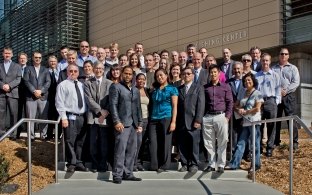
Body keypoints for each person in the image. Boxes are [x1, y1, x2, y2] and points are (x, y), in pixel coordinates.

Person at [109, 66, 143, 184]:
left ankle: (128, 173)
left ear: (132, 76)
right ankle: (117, 174)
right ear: (122, 74)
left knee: (131, 150)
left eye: (130, 74)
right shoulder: (115, 87)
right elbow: (113, 105)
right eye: (126, 73)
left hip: (134, 124)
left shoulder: (136, 90)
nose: (128, 76)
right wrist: (116, 121)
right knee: (120, 149)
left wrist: (140, 123)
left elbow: (138, 107)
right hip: (122, 124)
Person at [226, 72, 263, 172]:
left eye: (249, 80)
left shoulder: (258, 93)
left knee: (255, 144)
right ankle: (234, 164)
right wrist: (239, 110)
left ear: (253, 81)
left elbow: (257, 108)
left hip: (254, 122)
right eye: (245, 81)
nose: (247, 82)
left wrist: (246, 111)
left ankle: (256, 165)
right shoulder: (242, 93)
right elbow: (236, 105)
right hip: (245, 122)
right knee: (241, 143)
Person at [55, 64, 88, 172]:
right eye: (71, 71)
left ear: (78, 73)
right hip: (70, 117)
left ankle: (78, 162)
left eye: (75, 71)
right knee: (70, 140)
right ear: (67, 72)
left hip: (82, 117)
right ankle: (72, 163)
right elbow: (59, 103)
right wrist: (63, 117)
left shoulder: (82, 85)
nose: (73, 73)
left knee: (80, 141)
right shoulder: (62, 85)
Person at [202, 64, 233, 173]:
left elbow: (230, 103)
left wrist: (227, 117)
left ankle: (221, 164)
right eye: (211, 72)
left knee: (222, 141)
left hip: (221, 116)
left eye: (215, 72)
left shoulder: (226, 86)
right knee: (208, 142)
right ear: (209, 74)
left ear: (219, 73)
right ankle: (211, 164)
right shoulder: (205, 88)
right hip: (208, 117)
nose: (213, 74)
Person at [84, 61, 113, 172]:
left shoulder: (109, 83)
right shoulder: (88, 83)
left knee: (104, 143)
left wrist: (105, 113)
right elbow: (89, 99)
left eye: (101, 68)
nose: (98, 70)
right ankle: (95, 165)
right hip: (93, 117)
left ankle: (103, 164)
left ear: (103, 69)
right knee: (93, 143)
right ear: (93, 69)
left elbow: (111, 100)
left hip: (105, 117)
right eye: (96, 68)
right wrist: (100, 112)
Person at [149, 68, 178, 172]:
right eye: (157, 76)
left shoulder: (172, 89)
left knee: (166, 142)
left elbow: (175, 106)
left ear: (166, 75)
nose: (159, 77)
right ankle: (154, 165)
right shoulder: (154, 90)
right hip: (154, 118)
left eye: (161, 75)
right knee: (153, 142)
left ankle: (165, 165)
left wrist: (173, 121)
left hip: (166, 117)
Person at [177, 67, 205, 173]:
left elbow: (201, 105)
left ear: (193, 75)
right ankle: (184, 164)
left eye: (188, 74)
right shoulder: (179, 89)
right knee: (182, 144)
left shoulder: (198, 88)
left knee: (194, 143)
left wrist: (198, 120)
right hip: (181, 121)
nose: (186, 75)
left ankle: (194, 164)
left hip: (194, 121)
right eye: (184, 74)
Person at [272, 48, 300, 150]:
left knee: (291, 119)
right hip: (276, 96)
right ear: (279, 55)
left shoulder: (293, 68)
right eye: (281, 54)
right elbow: (271, 82)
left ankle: (294, 142)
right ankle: (276, 142)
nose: (283, 55)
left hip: (289, 96)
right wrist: (277, 91)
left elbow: (296, 82)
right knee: (276, 120)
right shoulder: (273, 68)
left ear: (288, 56)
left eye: (285, 54)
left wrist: (286, 90)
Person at [255, 53, 281, 157]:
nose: (265, 62)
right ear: (261, 62)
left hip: (271, 101)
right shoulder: (257, 75)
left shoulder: (275, 75)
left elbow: (278, 89)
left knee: (272, 125)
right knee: (259, 125)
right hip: (260, 102)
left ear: (270, 62)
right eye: (263, 60)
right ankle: (259, 147)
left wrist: (276, 102)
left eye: (267, 60)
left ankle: (269, 148)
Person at [23, 51, 51, 141]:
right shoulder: (28, 68)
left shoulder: (45, 69)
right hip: (31, 97)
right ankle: (31, 136)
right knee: (31, 118)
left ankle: (43, 135)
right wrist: (34, 91)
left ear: (41, 59)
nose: (37, 59)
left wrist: (41, 91)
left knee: (44, 117)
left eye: (39, 57)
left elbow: (48, 82)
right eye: (36, 57)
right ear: (32, 58)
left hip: (43, 97)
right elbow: (26, 81)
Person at [0, 47, 22, 138]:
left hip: (13, 93)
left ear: (12, 55)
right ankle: (1, 133)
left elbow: (18, 79)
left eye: (9, 53)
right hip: (1, 93)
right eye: (5, 53)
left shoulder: (17, 66)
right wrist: (2, 85)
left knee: (14, 114)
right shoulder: (0, 65)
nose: (7, 55)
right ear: (3, 54)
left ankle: (14, 134)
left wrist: (9, 86)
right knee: (1, 114)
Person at [226, 61, 246, 154]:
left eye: (238, 68)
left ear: (242, 69)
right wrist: (234, 107)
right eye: (235, 69)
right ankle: (233, 151)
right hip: (233, 111)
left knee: (244, 131)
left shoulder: (247, 80)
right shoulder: (228, 82)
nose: (237, 70)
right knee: (233, 132)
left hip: (244, 111)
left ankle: (245, 152)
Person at [133, 73, 150, 172]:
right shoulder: (134, 90)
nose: (141, 81)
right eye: (139, 79)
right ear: (136, 80)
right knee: (136, 143)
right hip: (137, 121)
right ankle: (133, 163)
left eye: (143, 79)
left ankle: (139, 162)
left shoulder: (147, 91)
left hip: (146, 119)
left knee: (143, 143)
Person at [46, 55, 60, 140]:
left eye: (54, 61)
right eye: (51, 61)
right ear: (48, 62)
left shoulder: (60, 72)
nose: (53, 63)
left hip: (58, 97)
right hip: (49, 97)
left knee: (58, 116)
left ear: (57, 62)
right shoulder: (45, 71)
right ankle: (49, 134)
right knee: (50, 116)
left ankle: (58, 135)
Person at [16, 52, 28, 139]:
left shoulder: (30, 68)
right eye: (21, 58)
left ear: (27, 59)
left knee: (29, 114)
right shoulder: (15, 68)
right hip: (17, 94)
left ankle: (30, 134)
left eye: (24, 58)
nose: (22, 60)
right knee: (18, 113)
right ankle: (17, 133)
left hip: (28, 94)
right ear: (19, 60)